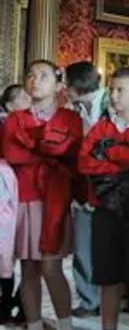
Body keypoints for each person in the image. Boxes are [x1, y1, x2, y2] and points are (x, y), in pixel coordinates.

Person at [78, 67, 129, 330]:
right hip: (105, 211)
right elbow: (85, 163)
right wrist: (125, 161)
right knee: (108, 277)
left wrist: (109, 152)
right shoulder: (101, 127)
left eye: (120, 90)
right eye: (112, 89)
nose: (113, 95)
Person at [1, 60, 82, 330]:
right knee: (29, 270)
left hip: (55, 199)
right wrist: (47, 148)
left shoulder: (70, 118)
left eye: (43, 76)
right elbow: (13, 154)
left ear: (59, 85)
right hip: (24, 198)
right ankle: (34, 324)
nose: (35, 80)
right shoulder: (15, 119)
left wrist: (39, 151)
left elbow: (70, 152)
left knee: (51, 268)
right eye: (31, 75)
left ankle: (65, 324)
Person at [65, 61, 108, 319]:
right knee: (82, 248)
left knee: (110, 248)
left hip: (111, 188)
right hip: (82, 187)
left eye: (65, 83)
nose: (63, 88)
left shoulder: (110, 104)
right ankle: (89, 300)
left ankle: (114, 298)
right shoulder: (73, 110)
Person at [0, 84, 28, 324]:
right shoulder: (6, 125)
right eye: (23, 98)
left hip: (25, 191)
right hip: (7, 191)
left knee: (27, 252)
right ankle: (6, 304)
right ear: (10, 106)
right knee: (5, 252)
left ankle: (18, 302)